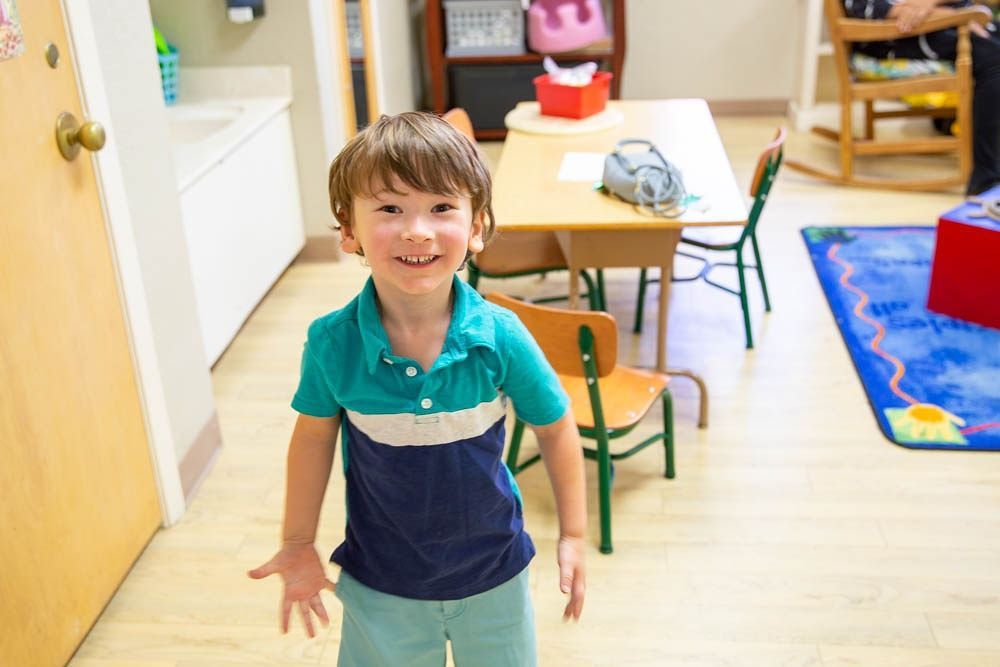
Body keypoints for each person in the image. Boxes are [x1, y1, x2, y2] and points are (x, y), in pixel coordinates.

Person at [248, 111, 587, 666]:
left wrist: (572, 532)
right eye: (389, 209)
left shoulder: (501, 337)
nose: (416, 230)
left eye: (441, 208)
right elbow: (311, 440)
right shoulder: (332, 344)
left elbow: (554, 425)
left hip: (494, 575)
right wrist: (296, 542)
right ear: (348, 230)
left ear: (477, 226)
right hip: (380, 583)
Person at [843, 0, 1000, 194]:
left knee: (989, 43)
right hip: (896, 35)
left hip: (941, 22)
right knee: (994, 61)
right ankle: (985, 180)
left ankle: (957, 127)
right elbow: (870, 10)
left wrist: (930, 4)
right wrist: (951, 16)